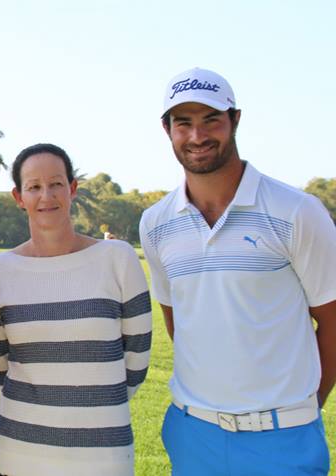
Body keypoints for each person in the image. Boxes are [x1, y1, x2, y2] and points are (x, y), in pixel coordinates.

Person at [139, 67, 336, 475]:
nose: (197, 137)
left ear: (235, 120)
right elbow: (180, 321)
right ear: (167, 129)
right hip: (192, 433)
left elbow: (333, 322)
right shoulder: (155, 223)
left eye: (211, 120)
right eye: (184, 123)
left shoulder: (297, 212)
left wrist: (305, 405)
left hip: (284, 440)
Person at [0, 144, 152, 476]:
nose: (47, 195)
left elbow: (136, 361)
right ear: (19, 196)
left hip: (104, 459)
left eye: (56, 183)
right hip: (20, 454)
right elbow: (0, 366)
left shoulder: (117, 259)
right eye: (34, 187)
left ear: (72, 189)